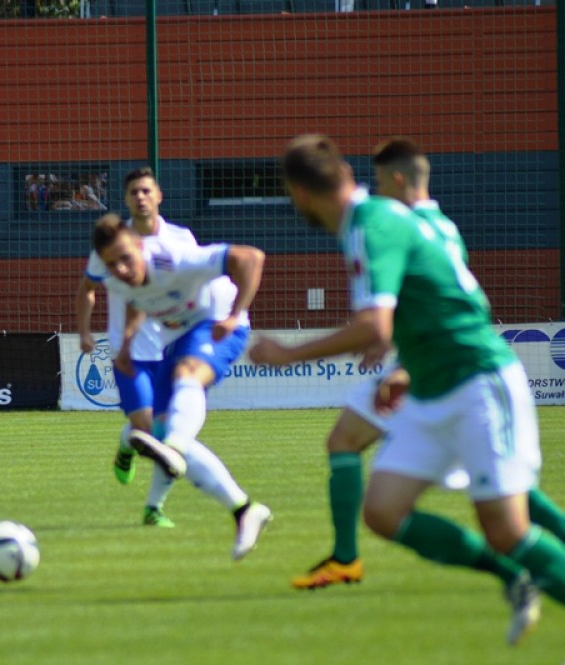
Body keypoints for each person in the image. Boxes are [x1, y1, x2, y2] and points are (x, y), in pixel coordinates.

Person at [249, 134, 565, 644]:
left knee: (508, 529)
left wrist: (286, 353)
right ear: (346, 174)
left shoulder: (372, 225)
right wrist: (406, 364)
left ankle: (518, 570)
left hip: (477, 379)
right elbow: (423, 303)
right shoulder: (371, 222)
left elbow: (375, 325)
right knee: (383, 512)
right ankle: (515, 578)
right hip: (430, 387)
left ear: (298, 194)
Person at [93, 213, 273, 560]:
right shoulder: (117, 279)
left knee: (187, 376)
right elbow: (136, 300)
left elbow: (251, 258)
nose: (122, 269)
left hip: (217, 322)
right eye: (112, 264)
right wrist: (127, 344)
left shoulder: (174, 259)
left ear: (141, 246)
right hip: (177, 336)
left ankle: (173, 449)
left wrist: (235, 314)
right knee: (160, 430)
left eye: (126, 258)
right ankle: (244, 510)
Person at [76, 166, 231, 528]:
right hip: (129, 351)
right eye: (134, 192)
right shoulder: (114, 243)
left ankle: (153, 507)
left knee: (168, 433)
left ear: (159, 195)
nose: (141, 197)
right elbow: (88, 288)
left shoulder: (181, 238)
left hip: (172, 344)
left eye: (146, 190)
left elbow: (196, 283)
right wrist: (84, 331)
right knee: (154, 432)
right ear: (126, 200)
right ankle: (129, 442)